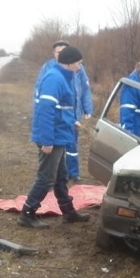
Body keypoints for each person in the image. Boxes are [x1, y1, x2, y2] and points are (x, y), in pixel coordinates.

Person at [18, 45, 91, 228]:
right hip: (52, 137)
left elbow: (60, 109)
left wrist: (71, 121)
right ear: (70, 63)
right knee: (46, 178)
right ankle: (27, 214)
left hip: (59, 133)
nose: (80, 67)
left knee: (61, 177)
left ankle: (68, 212)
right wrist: (47, 139)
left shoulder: (64, 77)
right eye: (79, 63)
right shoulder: (54, 78)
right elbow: (45, 110)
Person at [34, 40, 93, 182]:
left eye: (63, 51)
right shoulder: (49, 70)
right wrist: (39, 113)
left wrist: (87, 108)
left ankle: (73, 173)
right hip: (57, 117)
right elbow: (43, 99)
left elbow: (85, 89)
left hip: (72, 113)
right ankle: (51, 177)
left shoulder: (78, 67)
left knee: (72, 144)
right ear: (54, 53)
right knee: (54, 155)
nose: (60, 54)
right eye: (58, 52)